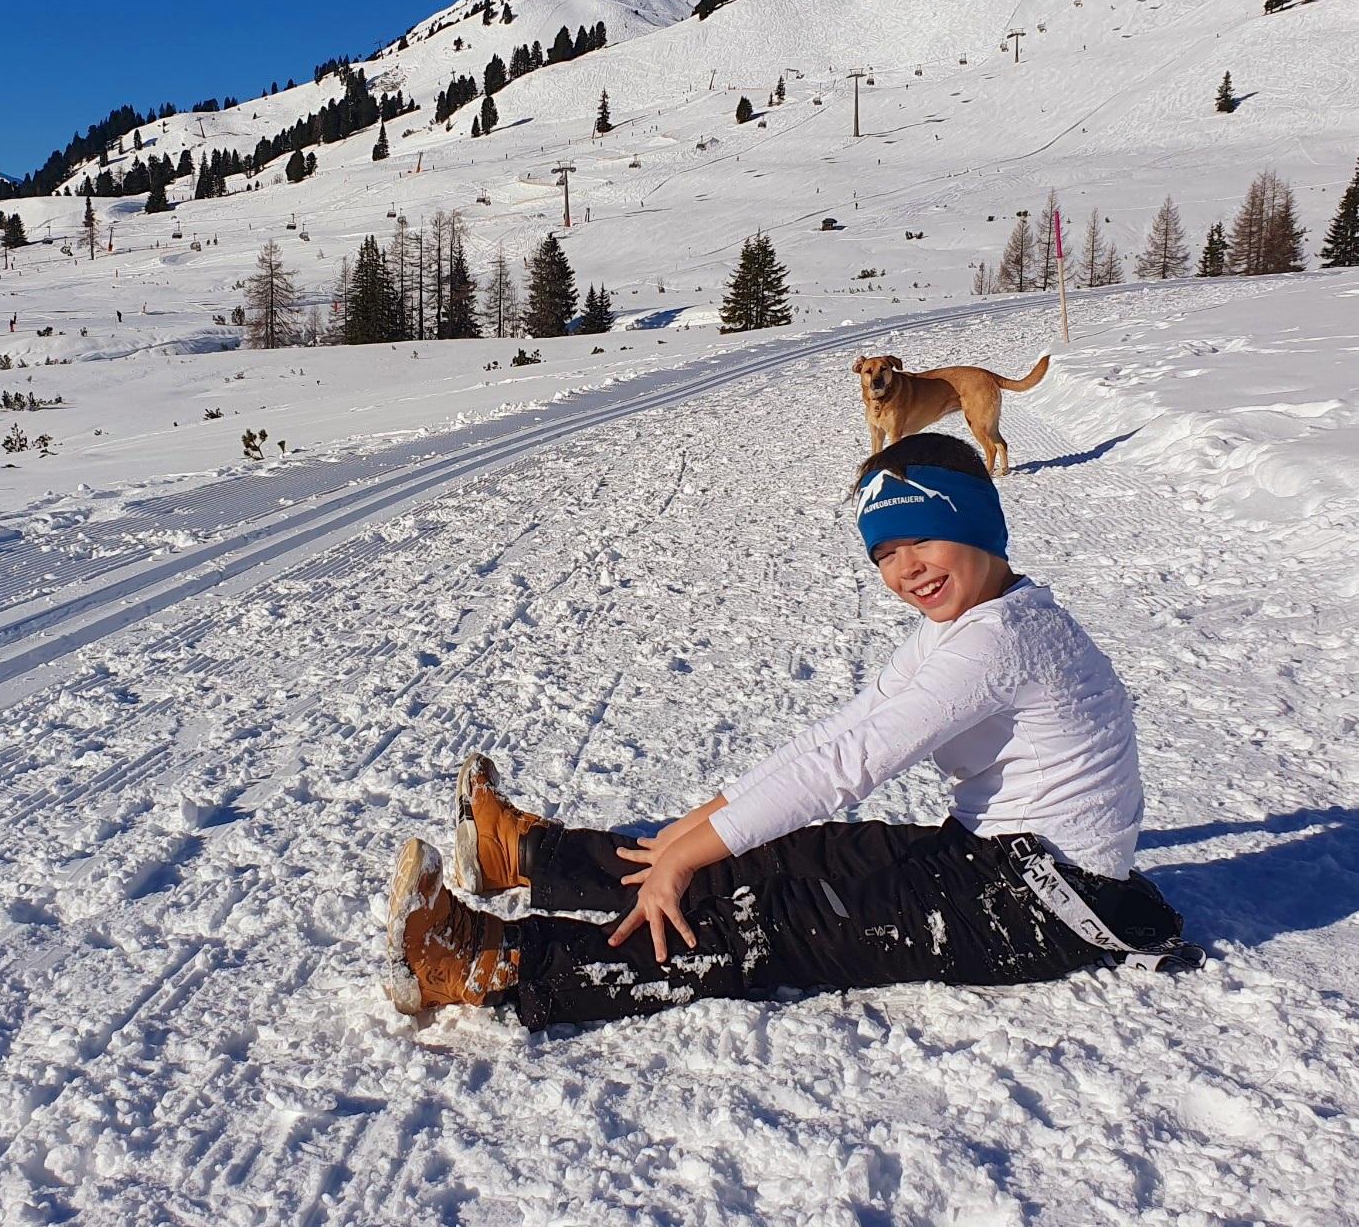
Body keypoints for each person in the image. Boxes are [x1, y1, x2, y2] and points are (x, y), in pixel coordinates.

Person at [384, 431, 1198, 1026]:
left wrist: (687, 860)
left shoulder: (998, 642)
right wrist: (695, 830)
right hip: (989, 859)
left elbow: (852, 761)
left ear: (981, 526)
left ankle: (494, 963)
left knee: (768, 921)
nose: (904, 567)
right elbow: (832, 732)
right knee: (766, 852)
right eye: (884, 552)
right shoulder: (972, 622)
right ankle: (523, 854)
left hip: (1041, 905)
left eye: (921, 538)